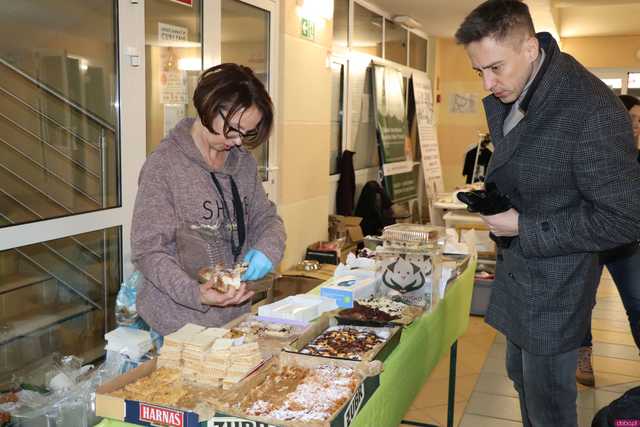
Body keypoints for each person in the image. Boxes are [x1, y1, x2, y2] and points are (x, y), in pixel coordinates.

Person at [455, 1, 640, 426]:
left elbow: (625, 218)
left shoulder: (590, 109)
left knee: (548, 402)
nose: (488, 83)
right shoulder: (523, 89)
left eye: (496, 68)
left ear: (530, 48)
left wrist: (522, 224)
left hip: (558, 283)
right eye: (478, 72)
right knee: (519, 376)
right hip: (521, 274)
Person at [131, 63, 286, 336]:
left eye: (247, 133)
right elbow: (148, 250)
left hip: (233, 317)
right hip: (176, 324)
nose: (239, 141)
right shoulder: (164, 166)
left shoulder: (242, 163)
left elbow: (266, 219)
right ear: (210, 107)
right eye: (233, 130)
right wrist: (195, 293)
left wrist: (267, 249)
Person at [577, 94, 640, 386]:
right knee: (583, 301)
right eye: (632, 119)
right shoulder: (595, 148)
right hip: (591, 239)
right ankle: (583, 352)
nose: (637, 126)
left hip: (626, 243)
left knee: (638, 300)